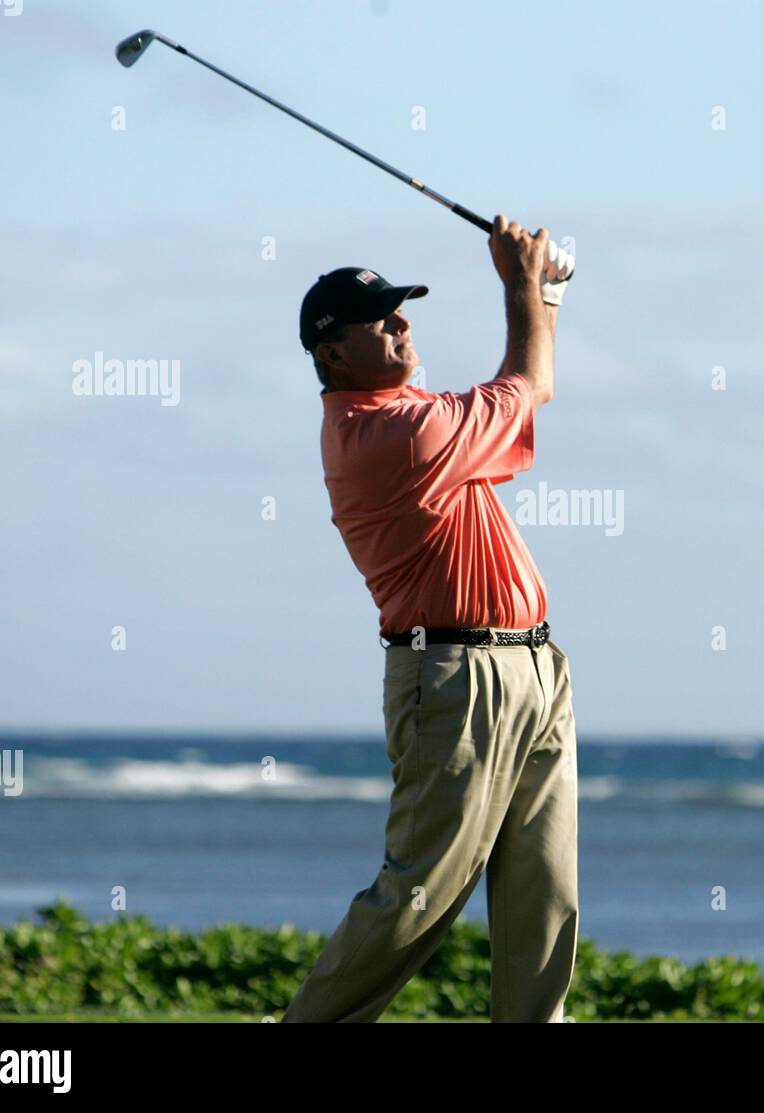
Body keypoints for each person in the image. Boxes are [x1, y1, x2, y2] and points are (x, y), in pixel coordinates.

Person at [282, 217, 579, 1023]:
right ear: (332, 350)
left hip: (532, 669)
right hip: (454, 678)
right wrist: (523, 287)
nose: (401, 321)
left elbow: (523, 384)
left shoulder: (415, 414)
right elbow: (531, 386)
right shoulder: (387, 435)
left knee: (544, 894)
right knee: (419, 894)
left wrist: (544, 291)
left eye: (402, 308)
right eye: (379, 317)